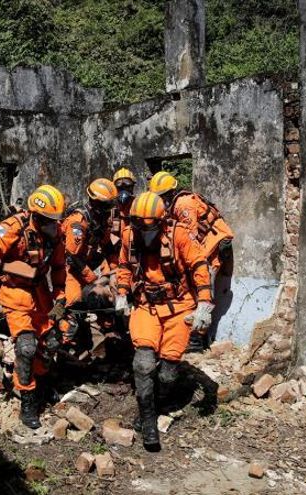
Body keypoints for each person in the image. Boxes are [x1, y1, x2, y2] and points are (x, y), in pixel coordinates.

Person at [115, 191, 214, 450]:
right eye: (138, 224)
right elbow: (124, 266)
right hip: (146, 305)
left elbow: (199, 265)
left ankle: (158, 400)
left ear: (161, 222)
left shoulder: (179, 234)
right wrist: (123, 293)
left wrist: (204, 302)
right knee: (143, 363)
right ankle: (148, 419)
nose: (143, 231)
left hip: (179, 307)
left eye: (149, 225)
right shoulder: (129, 236)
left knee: (169, 373)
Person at [0, 184, 67, 429]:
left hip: (40, 292)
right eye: (46, 220)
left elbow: (59, 268)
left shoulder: (55, 234)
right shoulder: (13, 228)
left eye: (54, 221)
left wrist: (61, 300)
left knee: (52, 341)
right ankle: (28, 400)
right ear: (35, 215)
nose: (51, 225)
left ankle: (43, 384)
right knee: (26, 347)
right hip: (14, 292)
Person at [147, 171, 234, 352]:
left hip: (212, 247)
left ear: (169, 194)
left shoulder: (183, 204)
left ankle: (196, 339)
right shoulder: (175, 203)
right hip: (205, 246)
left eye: (161, 197)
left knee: (202, 287)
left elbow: (190, 236)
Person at [55, 178, 120, 343]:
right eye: (106, 205)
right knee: (72, 306)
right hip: (68, 269)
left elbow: (108, 248)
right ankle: (63, 343)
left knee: (106, 298)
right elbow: (72, 257)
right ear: (95, 202)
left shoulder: (100, 220)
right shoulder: (78, 222)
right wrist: (93, 279)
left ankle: (110, 337)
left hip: (85, 266)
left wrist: (115, 271)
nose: (109, 208)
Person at [111, 167, 137, 242]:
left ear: (132, 187)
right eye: (120, 187)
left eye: (127, 187)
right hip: (115, 250)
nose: (123, 190)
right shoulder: (110, 207)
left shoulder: (138, 204)